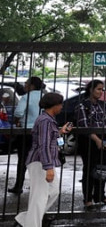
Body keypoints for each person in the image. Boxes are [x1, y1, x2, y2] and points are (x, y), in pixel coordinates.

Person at [14, 92, 72, 227]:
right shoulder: (45, 121)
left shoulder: (47, 120)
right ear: (55, 105)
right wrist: (48, 167)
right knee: (39, 197)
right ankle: (31, 223)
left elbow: (47, 140)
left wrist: (60, 132)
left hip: (43, 162)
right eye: (60, 104)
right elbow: (43, 145)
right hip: (40, 163)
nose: (62, 107)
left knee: (51, 192)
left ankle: (24, 219)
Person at [77, 79, 106, 208]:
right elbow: (84, 126)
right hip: (89, 140)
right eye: (98, 89)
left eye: (102, 89)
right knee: (89, 169)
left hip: (104, 137)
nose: (101, 92)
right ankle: (88, 198)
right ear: (91, 90)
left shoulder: (104, 105)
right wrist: (97, 140)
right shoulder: (83, 105)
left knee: (103, 168)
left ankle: (100, 195)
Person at [9, 76, 44, 194]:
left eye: (26, 84)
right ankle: (39, 186)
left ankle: (19, 186)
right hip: (41, 132)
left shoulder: (26, 97)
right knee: (40, 160)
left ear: (32, 86)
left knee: (23, 159)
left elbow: (18, 112)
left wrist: (17, 121)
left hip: (27, 132)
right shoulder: (45, 96)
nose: (24, 86)